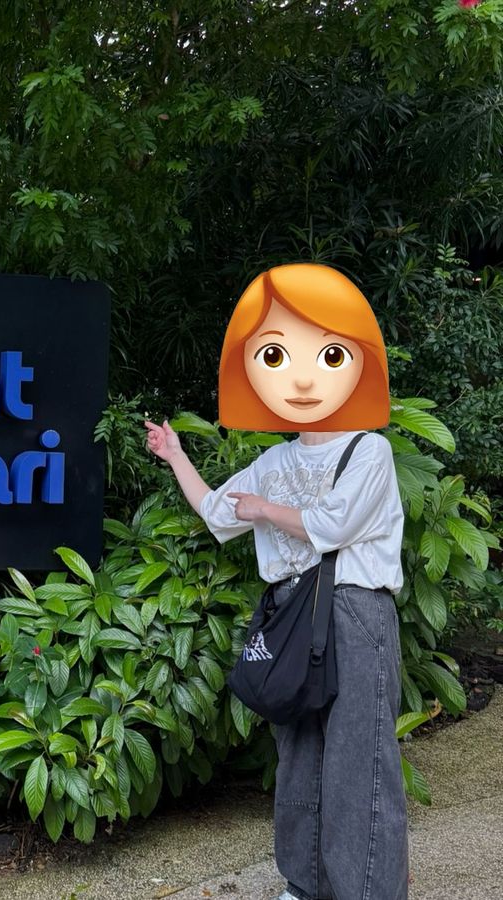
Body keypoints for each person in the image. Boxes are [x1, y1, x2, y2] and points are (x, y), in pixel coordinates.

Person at [143, 263, 408, 900]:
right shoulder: (276, 458)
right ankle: (305, 885)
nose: (303, 378)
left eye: (327, 356)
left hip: (355, 612)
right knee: (299, 756)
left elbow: (332, 525)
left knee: (360, 763)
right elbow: (218, 513)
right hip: (293, 615)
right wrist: (176, 455)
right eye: (278, 357)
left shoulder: (369, 450)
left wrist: (265, 509)